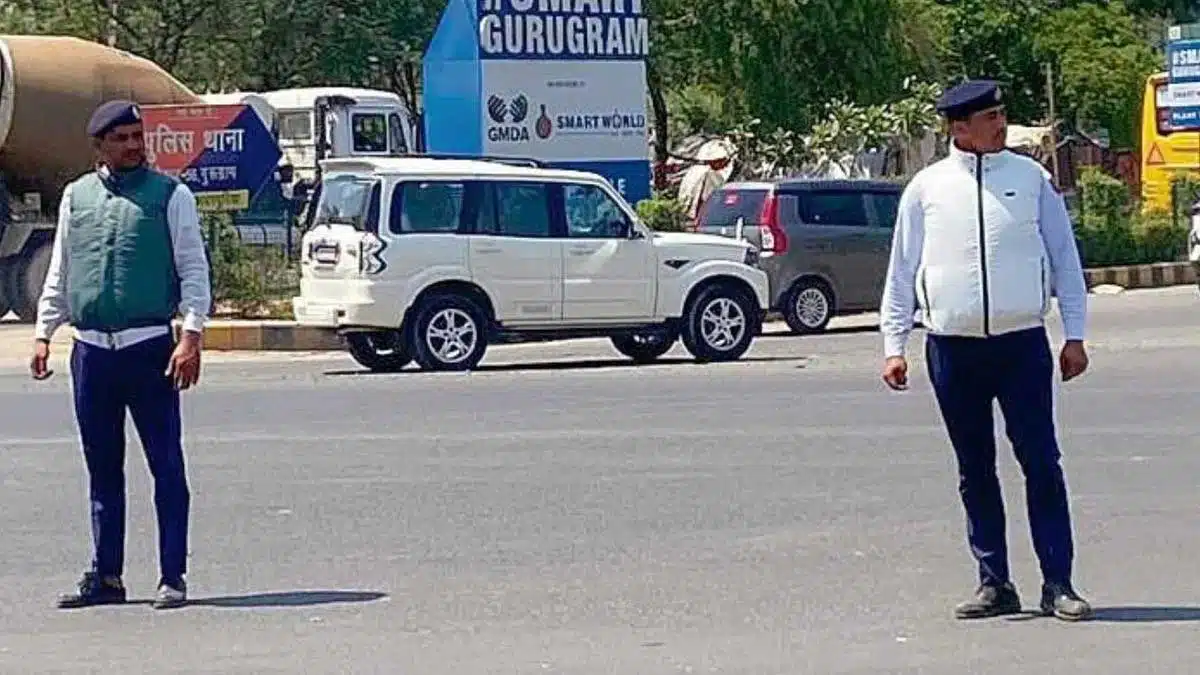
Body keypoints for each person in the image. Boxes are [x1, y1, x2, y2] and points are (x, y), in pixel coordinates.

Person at [878, 80, 1093, 622]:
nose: (1001, 125)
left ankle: (1058, 583)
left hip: (1022, 346)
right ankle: (994, 582)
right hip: (953, 349)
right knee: (975, 469)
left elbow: (1065, 259)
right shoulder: (926, 189)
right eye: (990, 117)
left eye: (1001, 114)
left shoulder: (1031, 179)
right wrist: (893, 345)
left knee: (1041, 463)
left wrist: (1074, 333)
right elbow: (902, 272)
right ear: (959, 128)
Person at [30, 99, 212, 610]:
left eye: (138, 136)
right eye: (123, 138)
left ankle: (172, 576)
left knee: (166, 466)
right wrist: (45, 332)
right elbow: (62, 267)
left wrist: (191, 335)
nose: (134, 145)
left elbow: (194, 269)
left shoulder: (170, 196)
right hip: (91, 355)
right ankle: (106, 576)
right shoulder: (76, 197)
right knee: (102, 469)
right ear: (100, 146)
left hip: (151, 350)